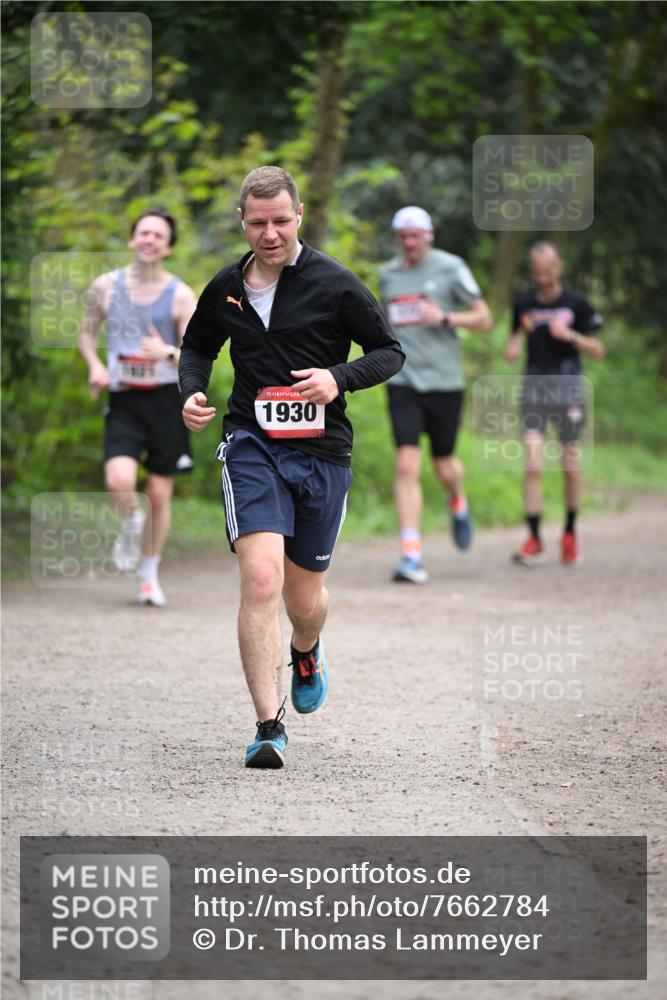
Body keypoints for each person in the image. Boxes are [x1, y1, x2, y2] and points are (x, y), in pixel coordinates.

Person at [179, 166, 404, 770]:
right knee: (260, 580)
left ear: (298, 215)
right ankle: (267, 726)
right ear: (242, 220)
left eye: (281, 221)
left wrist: (338, 378)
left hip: (322, 453)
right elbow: (198, 345)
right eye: (258, 223)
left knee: (305, 601)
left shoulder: (335, 283)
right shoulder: (227, 286)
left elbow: (389, 351)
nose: (270, 233)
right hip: (250, 443)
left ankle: (306, 649)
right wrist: (191, 391)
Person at [78, 210, 198, 605]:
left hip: (166, 401)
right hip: (125, 398)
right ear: (132, 239)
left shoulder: (181, 295)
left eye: (158, 235)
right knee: (118, 481)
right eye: (144, 233)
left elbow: (197, 356)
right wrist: (95, 366)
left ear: (168, 247)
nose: (149, 239)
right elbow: (86, 335)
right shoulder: (105, 287)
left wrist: (165, 351)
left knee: (159, 493)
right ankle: (132, 520)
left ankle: (148, 574)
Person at [379, 206, 492, 584]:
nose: (409, 243)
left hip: (444, 383)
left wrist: (445, 317)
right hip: (403, 381)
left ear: (429, 235)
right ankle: (411, 555)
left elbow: (484, 318)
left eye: (415, 236)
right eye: (403, 237)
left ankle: (457, 500)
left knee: (445, 465)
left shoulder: (451, 267)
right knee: (406, 464)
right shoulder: (389, 275)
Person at [506, 241, 604, 566]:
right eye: (537, 273)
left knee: (570, 466)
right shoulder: (523, 302)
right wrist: (513, 346)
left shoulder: (578, 304)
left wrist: (571, 336)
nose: (543, 279)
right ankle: (534, 538)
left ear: (559, 269)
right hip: (534, 387)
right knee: (533, 463)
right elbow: (515, 333)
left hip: (568, 388)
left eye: (548, 273)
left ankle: (570, 533)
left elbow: (598, 350)